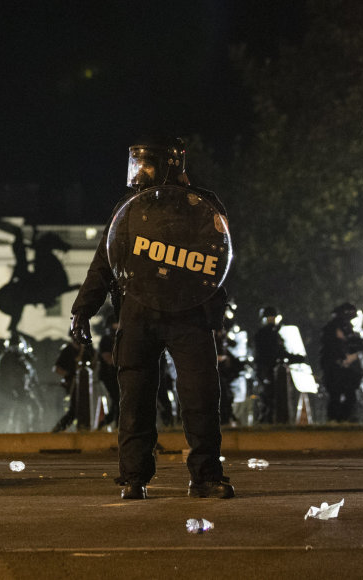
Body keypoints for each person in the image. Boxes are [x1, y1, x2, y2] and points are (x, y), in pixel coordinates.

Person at [69, 136, 235, 500]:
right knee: (135, 400)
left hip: (190, 314)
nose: (140, 171)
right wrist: (83, 309)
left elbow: (220, 258)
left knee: (200, 397)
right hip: (139, 312)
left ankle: (206, 476)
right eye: (137, 163)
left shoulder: (201, 205)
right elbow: (105, 263)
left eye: (148, 163)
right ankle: (133, 477)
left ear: (170, 165)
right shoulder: (129, 207)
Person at [319, 302, 363, 422]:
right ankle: (336, 419)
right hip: (335, 368)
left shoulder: (346, 328)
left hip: (347, 370)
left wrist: (362, 345)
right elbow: (332, 347)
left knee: (349, 395)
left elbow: (353, 343)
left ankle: (344, 419)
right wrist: (342, 358)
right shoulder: (332, 328)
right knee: (336, 396)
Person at [251, 306, 304, 424]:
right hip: (266, 370)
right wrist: (294, 358)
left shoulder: (272, 333)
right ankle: (266, 422)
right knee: (268, 398)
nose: (272, 320)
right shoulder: (265, 334)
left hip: (268, 370)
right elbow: (274, 352)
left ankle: (270, 421)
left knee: (271, 398)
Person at [50, 334, 94, 432]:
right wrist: (69, 375)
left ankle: (82, 427)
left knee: (84, 406)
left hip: (85, 383)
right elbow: (57, 368)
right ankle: (60, 428)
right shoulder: (67, 350)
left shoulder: (87, 349)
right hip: (72, 383)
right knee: (75, 408)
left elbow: (93, 363)